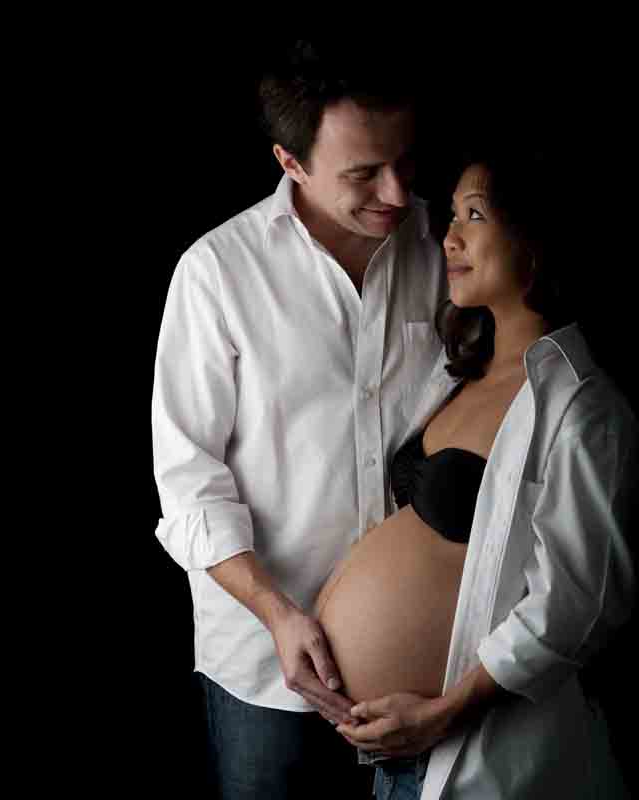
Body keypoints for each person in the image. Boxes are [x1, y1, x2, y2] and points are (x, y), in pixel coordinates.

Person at [151, 39, 448, 798]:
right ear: (291, 162)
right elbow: (188, 484)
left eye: (405, 161)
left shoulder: (448, 250)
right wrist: (278, 614)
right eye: (363, 173)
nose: (396, 191)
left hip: (426, 671)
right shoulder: (217, 273)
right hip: (265, 670)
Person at [324, 145, 637, 799]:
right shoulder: (455, 376)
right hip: (396, 760)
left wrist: (443, 712)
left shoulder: (581, 406)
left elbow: (575, 605)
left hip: (478, 753)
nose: (450, 237)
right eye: (451, 216)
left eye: (475, 215)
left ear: (533, 241)